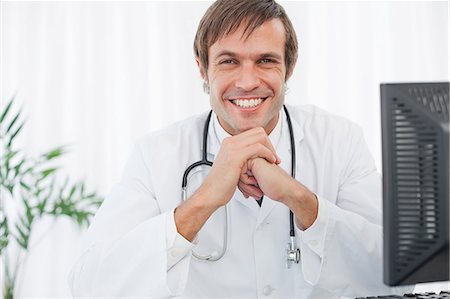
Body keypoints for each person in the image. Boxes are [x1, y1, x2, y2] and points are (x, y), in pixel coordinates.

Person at [69, 0, 409, 298]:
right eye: (229, 61)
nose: (247, 81)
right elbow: (90, 285)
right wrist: (203, 200)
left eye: (265, 61)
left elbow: (398, 274)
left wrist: (302, 201)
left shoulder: (339, 141)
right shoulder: (156, 154)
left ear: (289, 68)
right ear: (202, 68)